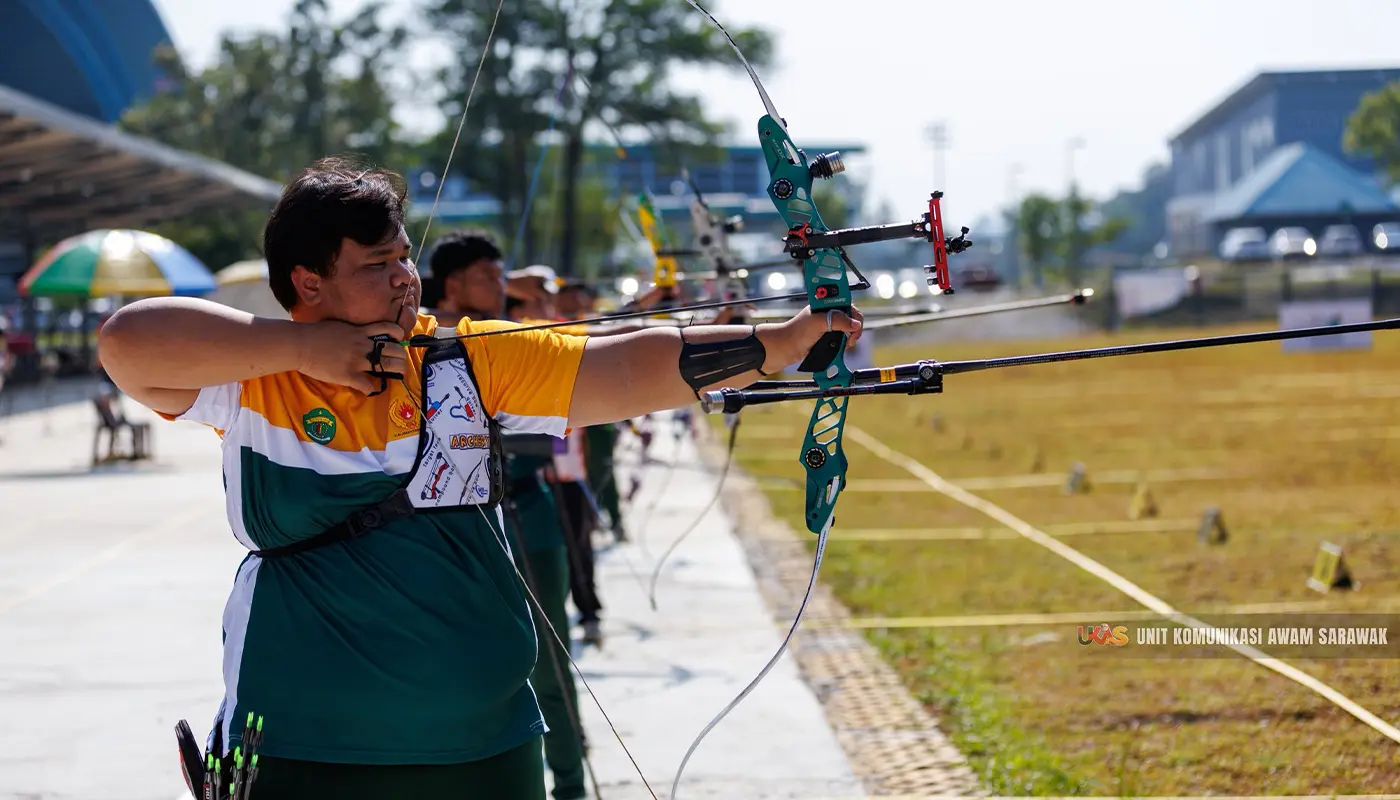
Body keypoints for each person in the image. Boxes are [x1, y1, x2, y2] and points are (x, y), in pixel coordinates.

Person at [95, 155, 861, 799]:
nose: (403, 279)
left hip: (484, 743)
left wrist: (778, 342)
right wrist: (307, 353)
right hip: (302, 742)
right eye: (375, 265)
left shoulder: (464, 356)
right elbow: (128, 342)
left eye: (402, 257)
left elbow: (620, 365)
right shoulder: (254, 376)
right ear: (309, 283)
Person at [426, 230, 589, 798]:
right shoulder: (417, 335)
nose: (500, 285)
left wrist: (531, 302)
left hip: (529, 517)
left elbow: (569, 358)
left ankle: (569, 781)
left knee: (549, 664)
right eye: (487, 277)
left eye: (501, 276)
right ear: (452, 285)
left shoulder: (512, 334)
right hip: (451, 535)